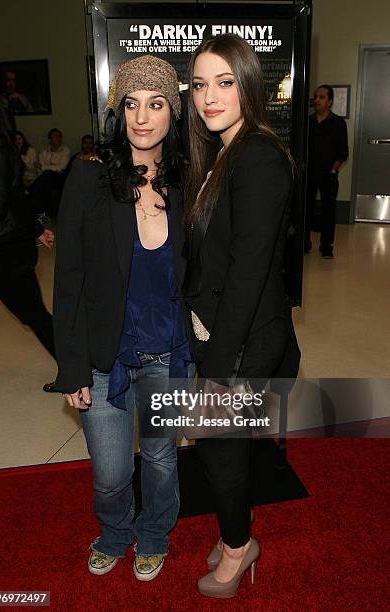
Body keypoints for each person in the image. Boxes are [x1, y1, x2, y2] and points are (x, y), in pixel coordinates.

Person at [53, 55, 192, 581]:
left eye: (155, 104)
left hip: (167, 352)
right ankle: (114, 531)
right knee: (111, 474)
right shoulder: (89, 178)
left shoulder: (186, 181)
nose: (141, 116)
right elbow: (68, 277)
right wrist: (69, 367)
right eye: (130, 104)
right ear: (118, 112)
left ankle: (154, 533)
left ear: (172, 114)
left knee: (160, 461)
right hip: (103, 356)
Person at [183, 34, 301, 598]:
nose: (210, 97)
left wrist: (216, 369)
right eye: (200, 85)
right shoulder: (226, 151)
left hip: (243, 338)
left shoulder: (257, 154)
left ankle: (238, 549)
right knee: (217, 448)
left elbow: (250, 274)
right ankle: (237, 534)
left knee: (219, 449)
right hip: (226, 333)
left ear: (249, 84)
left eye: (224, 83)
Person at [0, 83, 56, 385]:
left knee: (37, 317)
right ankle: (76, 368)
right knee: (37, 316)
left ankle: (77, 370)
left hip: (1, 252)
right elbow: (18, 198)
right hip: (5, 248)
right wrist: (37, 228)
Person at [305, 85, 348, 258]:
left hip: (328, 174)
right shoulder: (308, 122)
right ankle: (304, 244)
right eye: (315, 96)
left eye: (321, 97)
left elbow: (343, 151)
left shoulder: (338, 123)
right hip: (309, 173)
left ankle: (326, 247)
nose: (317, 100)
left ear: (330, 101)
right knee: (305, 209)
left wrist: (333, 170)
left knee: (328, 210)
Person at [28, 128, 70, 218]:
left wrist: (44, 167)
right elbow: (39, 170)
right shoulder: (43, 152)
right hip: (46, 179)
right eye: (55, 136)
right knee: (46, 181)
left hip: (59, 179)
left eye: (59, 136)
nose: (58, 138)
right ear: (50, 140)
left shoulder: (65, 150)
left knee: (48, 174)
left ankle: (30, 190)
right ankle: (45, 213)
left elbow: (62, 167)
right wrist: (52, 168)